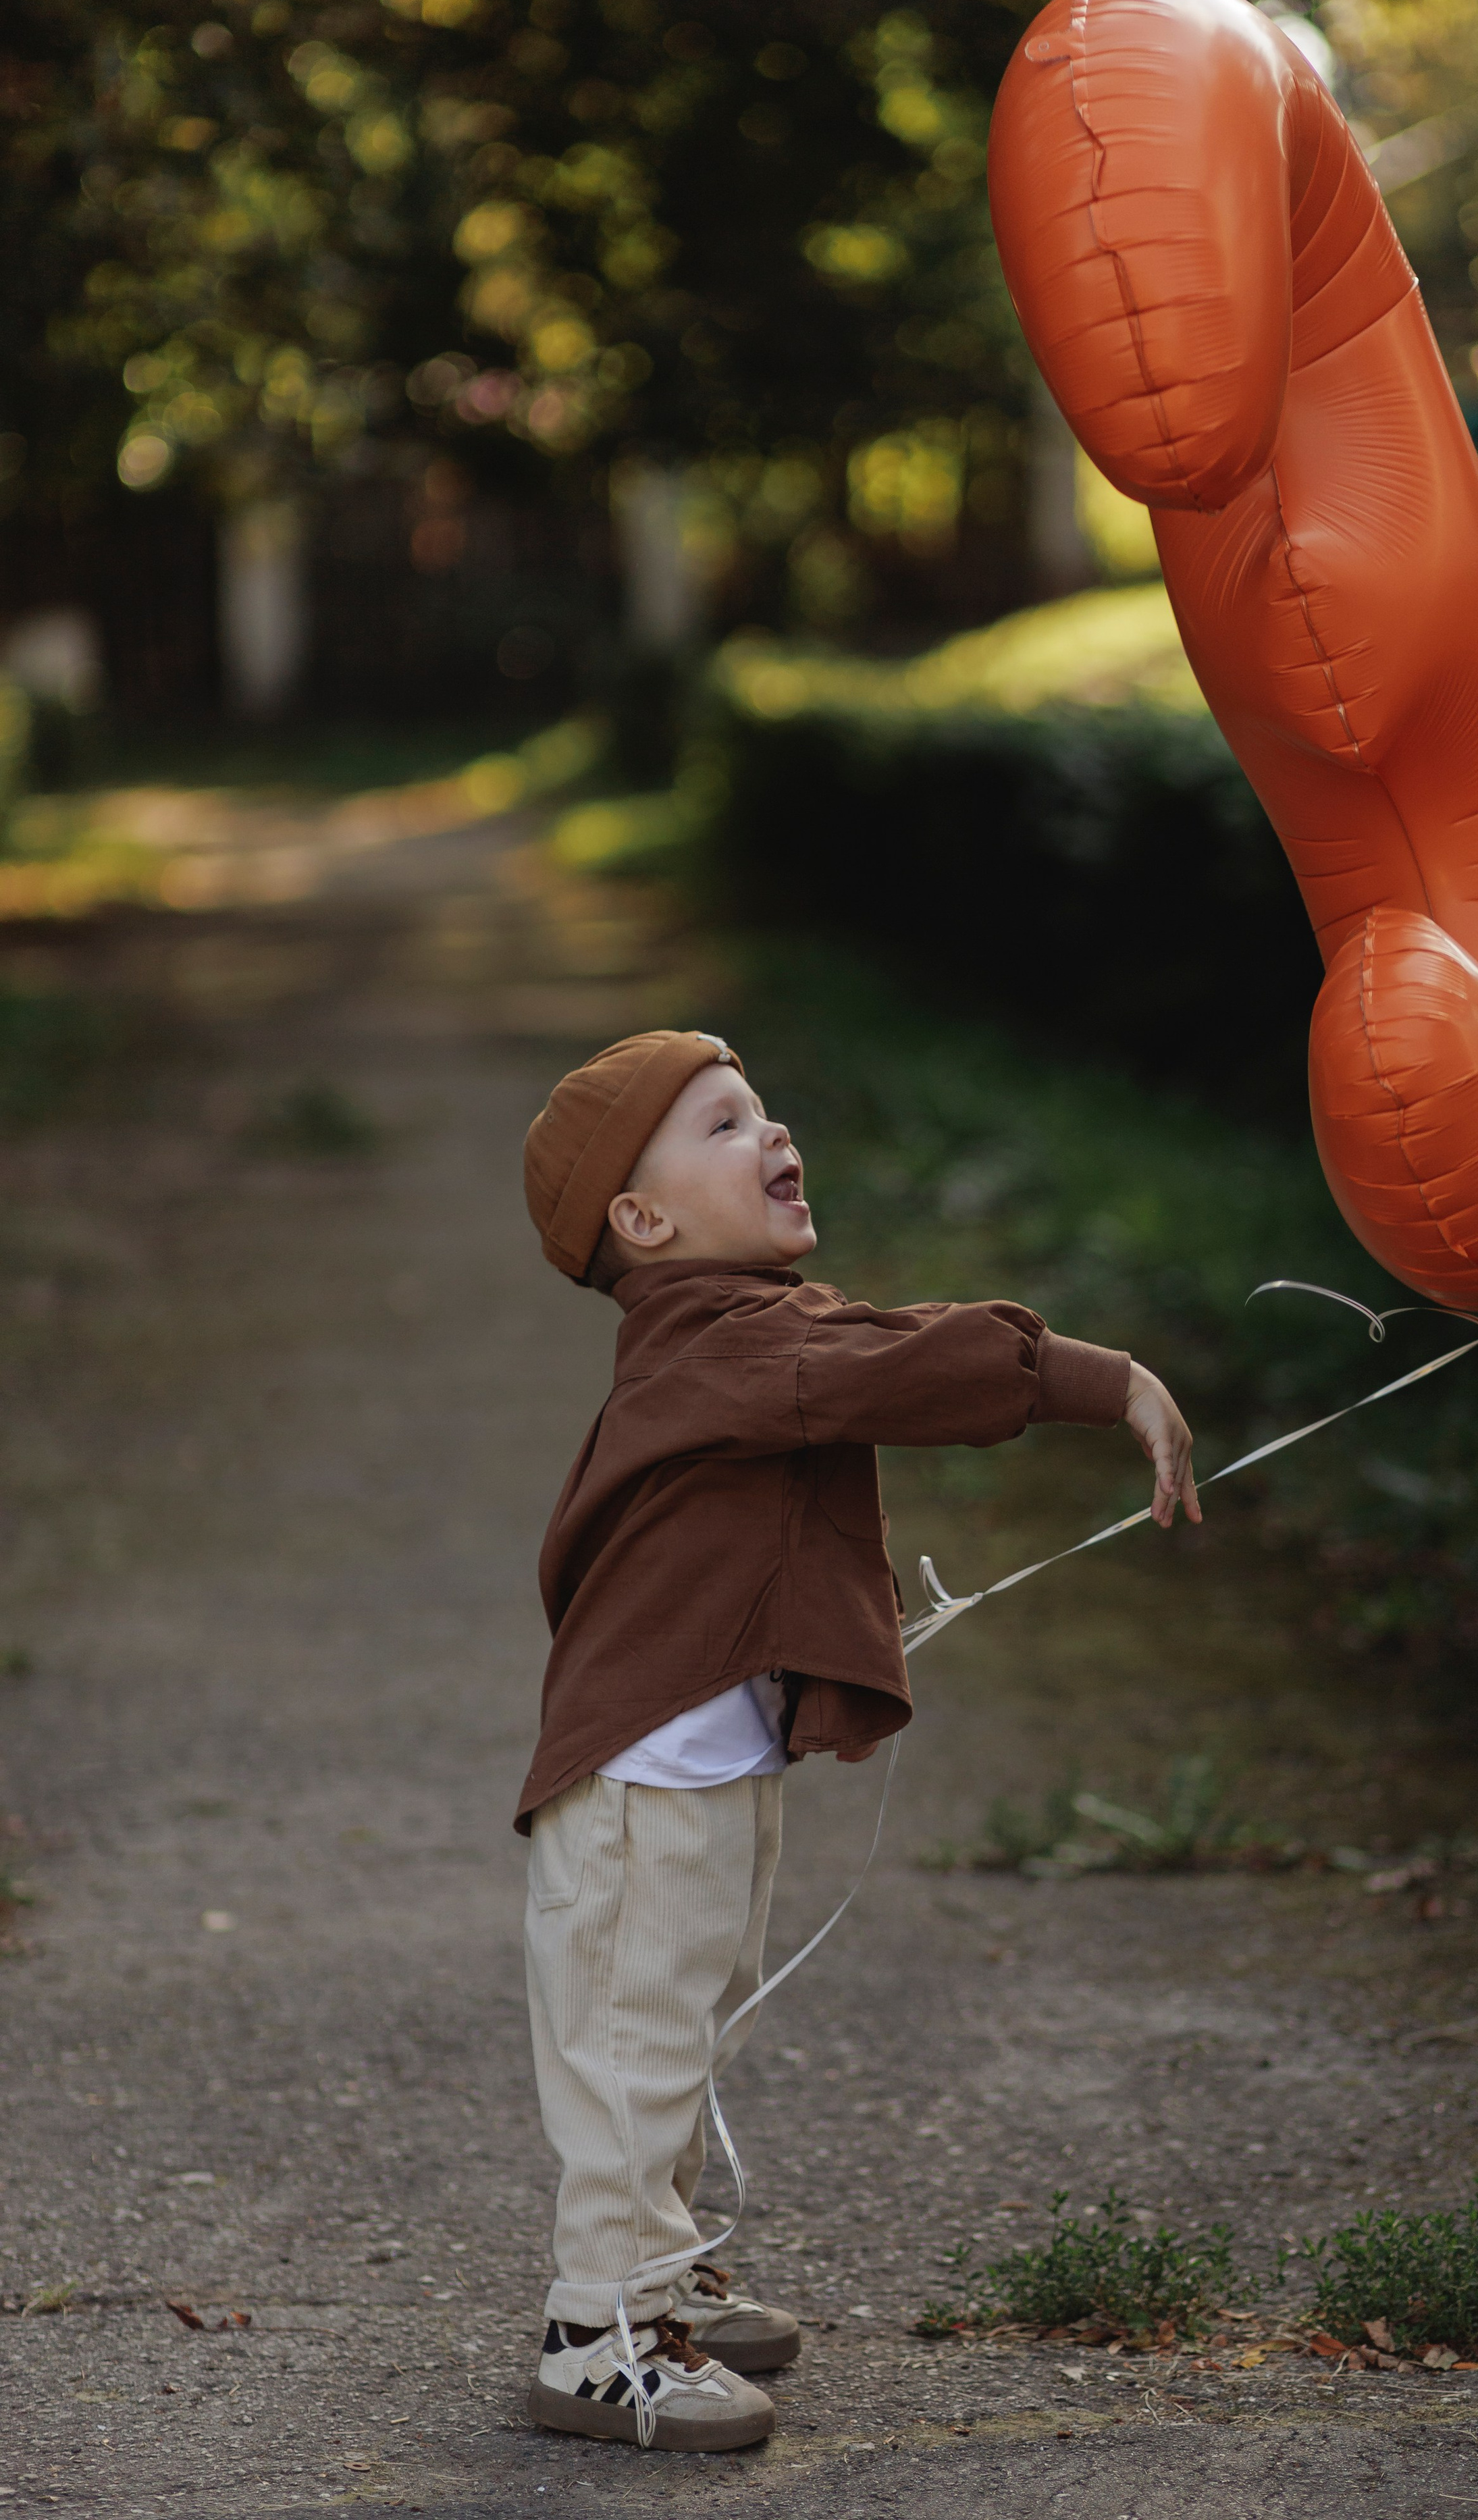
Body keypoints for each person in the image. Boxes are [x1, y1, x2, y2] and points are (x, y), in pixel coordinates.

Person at [516, 1028, 1201, 2452]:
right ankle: (598, 2335)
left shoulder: (750, 1336)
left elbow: (858, 1349)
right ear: (640, 1224)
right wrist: (1100, 1379)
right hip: (644, 1789)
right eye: (720, 1126)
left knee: (687, 2025)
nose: (769, 1135)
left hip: (696, 1772)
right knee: (637, 2049)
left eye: (762, 1110)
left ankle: (664, 2274)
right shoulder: (725, 1350)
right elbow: (903, 1366)